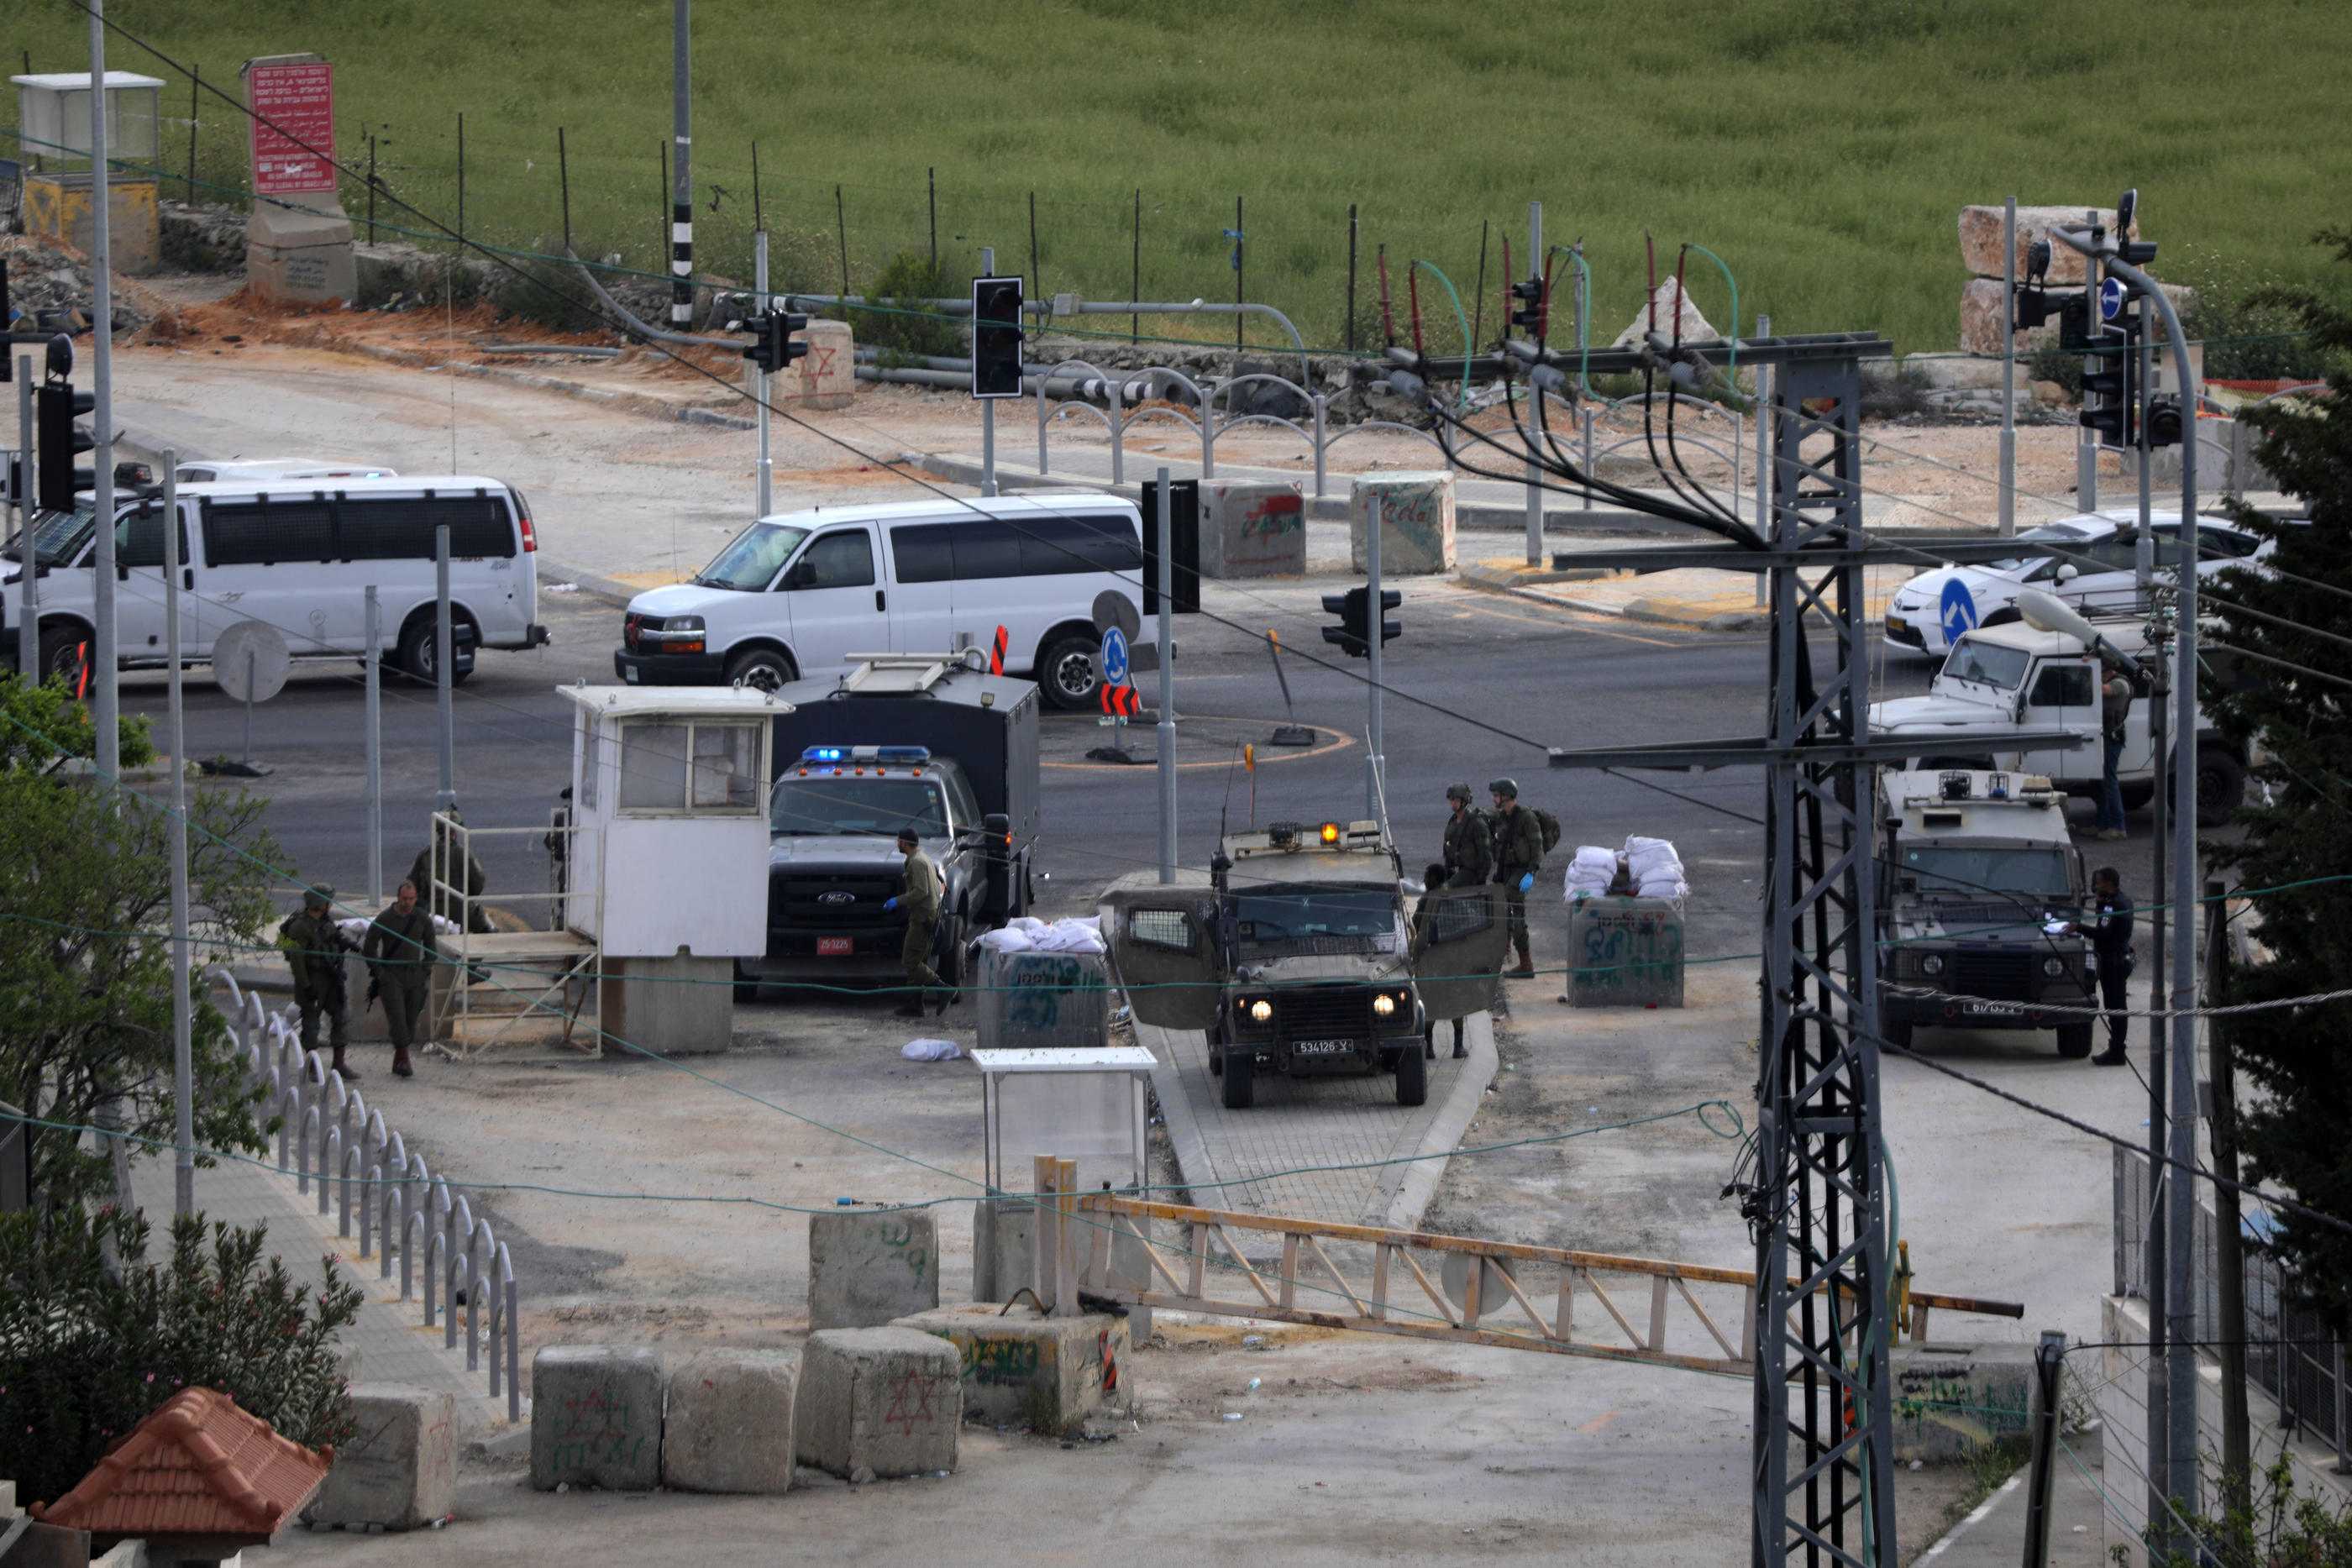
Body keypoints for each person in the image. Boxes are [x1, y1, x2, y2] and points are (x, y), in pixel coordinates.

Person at [278, 885, 358, 1078]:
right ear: (320, 903)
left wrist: (345, 944)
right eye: (327, 901)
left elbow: (331, 938)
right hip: (313, 978)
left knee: (342, 1017)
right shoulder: (300, 927)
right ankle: (311, 1066)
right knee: (311, 1024)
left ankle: (339, 1063)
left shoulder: (325, 921)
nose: (330, 905)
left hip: (332, 976)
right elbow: (297, 961)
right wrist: (306, 986)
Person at [364, 878, 439, 1078]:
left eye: (412, 898)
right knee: (397, 1016)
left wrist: (426, 968)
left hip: (415, 975)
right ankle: (404, 1059)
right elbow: (369, 946)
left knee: (411, 1018)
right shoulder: (386, 918)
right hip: (391, 976)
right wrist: (379, 972)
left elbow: (431, 947)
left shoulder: (422, 918)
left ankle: (399, 1059)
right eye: (405, 898)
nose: (408, 902)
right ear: (398, 898)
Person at [2067, 867, 2136, 1067]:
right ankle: (2116, 1048)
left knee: (2116, 1008)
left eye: (2098, 883)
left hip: (2113, 962)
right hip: (2118, 959)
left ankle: (2117, 1050)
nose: (2096, 887)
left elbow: (2103, 933)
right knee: (2116, 1006)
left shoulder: (2113, 905)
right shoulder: (2122, 900)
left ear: (2108, 883)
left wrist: (2078, 927)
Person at [883, 826, 951, 1018]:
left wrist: (897, 901)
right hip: (927, 917)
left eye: (899, 841)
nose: (898, 844)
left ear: (904, 843)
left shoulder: (917, 862)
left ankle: (942, 988)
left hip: (922, 919)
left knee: (910, 962)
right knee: (919, 961)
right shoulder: (922, 858)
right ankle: (916, 1004)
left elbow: (921, 892)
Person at [1488, 778, 1544, 978]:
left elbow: (1537, 846)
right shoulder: (1503, 817)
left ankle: (1526, 964)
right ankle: (1505, 951)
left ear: (1506, 796)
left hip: (1521, 871)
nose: (1493, 799)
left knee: (1517, 915)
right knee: (1501, 909)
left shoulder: (1525, 817)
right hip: (1506, 870)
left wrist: (1531, 871)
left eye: (1496, 795)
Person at [1414, 863, 1468, 1061]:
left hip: (1432, 957)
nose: (1424, 881)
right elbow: (1469, 919)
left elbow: (1416, 925)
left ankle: (1429, 1048)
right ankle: (1458, 1047)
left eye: (1427, 877)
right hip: (1453, 957)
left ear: (1435, 879)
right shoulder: (1455, 898)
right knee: (1456, 999)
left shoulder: (1428, 900)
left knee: (1430, 999)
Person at [409, 809, 492, 936]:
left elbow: (412, 882)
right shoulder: (463, 853)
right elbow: (478, 884)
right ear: (455, 830)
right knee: (487, 929)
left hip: (433, 909)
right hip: (461, 909)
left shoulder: (426, 854)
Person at [2092, 658, 2138, 842]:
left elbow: (2104, 690)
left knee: (2109, 780)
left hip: (2112, 738)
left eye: (2100, 669)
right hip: (2103, 736)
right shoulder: (2110, 680)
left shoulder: (2120, 683)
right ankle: (2102, 822)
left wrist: (2088, 669)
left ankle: (2118, 826)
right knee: (2097, 780)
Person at [1441, 782, 1493, 889]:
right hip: (1458, 870)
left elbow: (1485, 854)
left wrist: (1481, 878)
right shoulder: (1453, 822)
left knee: (1445, 890)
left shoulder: (1476, 823)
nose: (1453, 803)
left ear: (1464, 801)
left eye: (1456, 800)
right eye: (1451, 800)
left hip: (1471, 872)